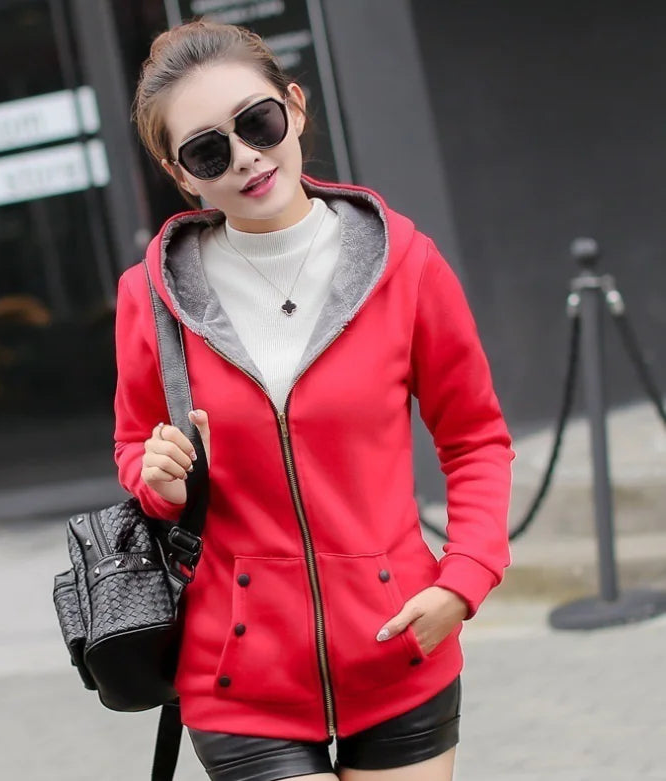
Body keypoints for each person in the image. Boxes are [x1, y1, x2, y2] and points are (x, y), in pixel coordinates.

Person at [116, 18, 514, 781]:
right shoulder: (152, 297)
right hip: (238, 679)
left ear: (294, 107)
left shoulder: (405, 265)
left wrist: (463, 580)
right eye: (207, 150)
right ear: (180, 173)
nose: (244, 156)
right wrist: (158, 480)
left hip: (397, 647)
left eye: (257, 122)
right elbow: (135, 446)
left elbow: (474, 440)